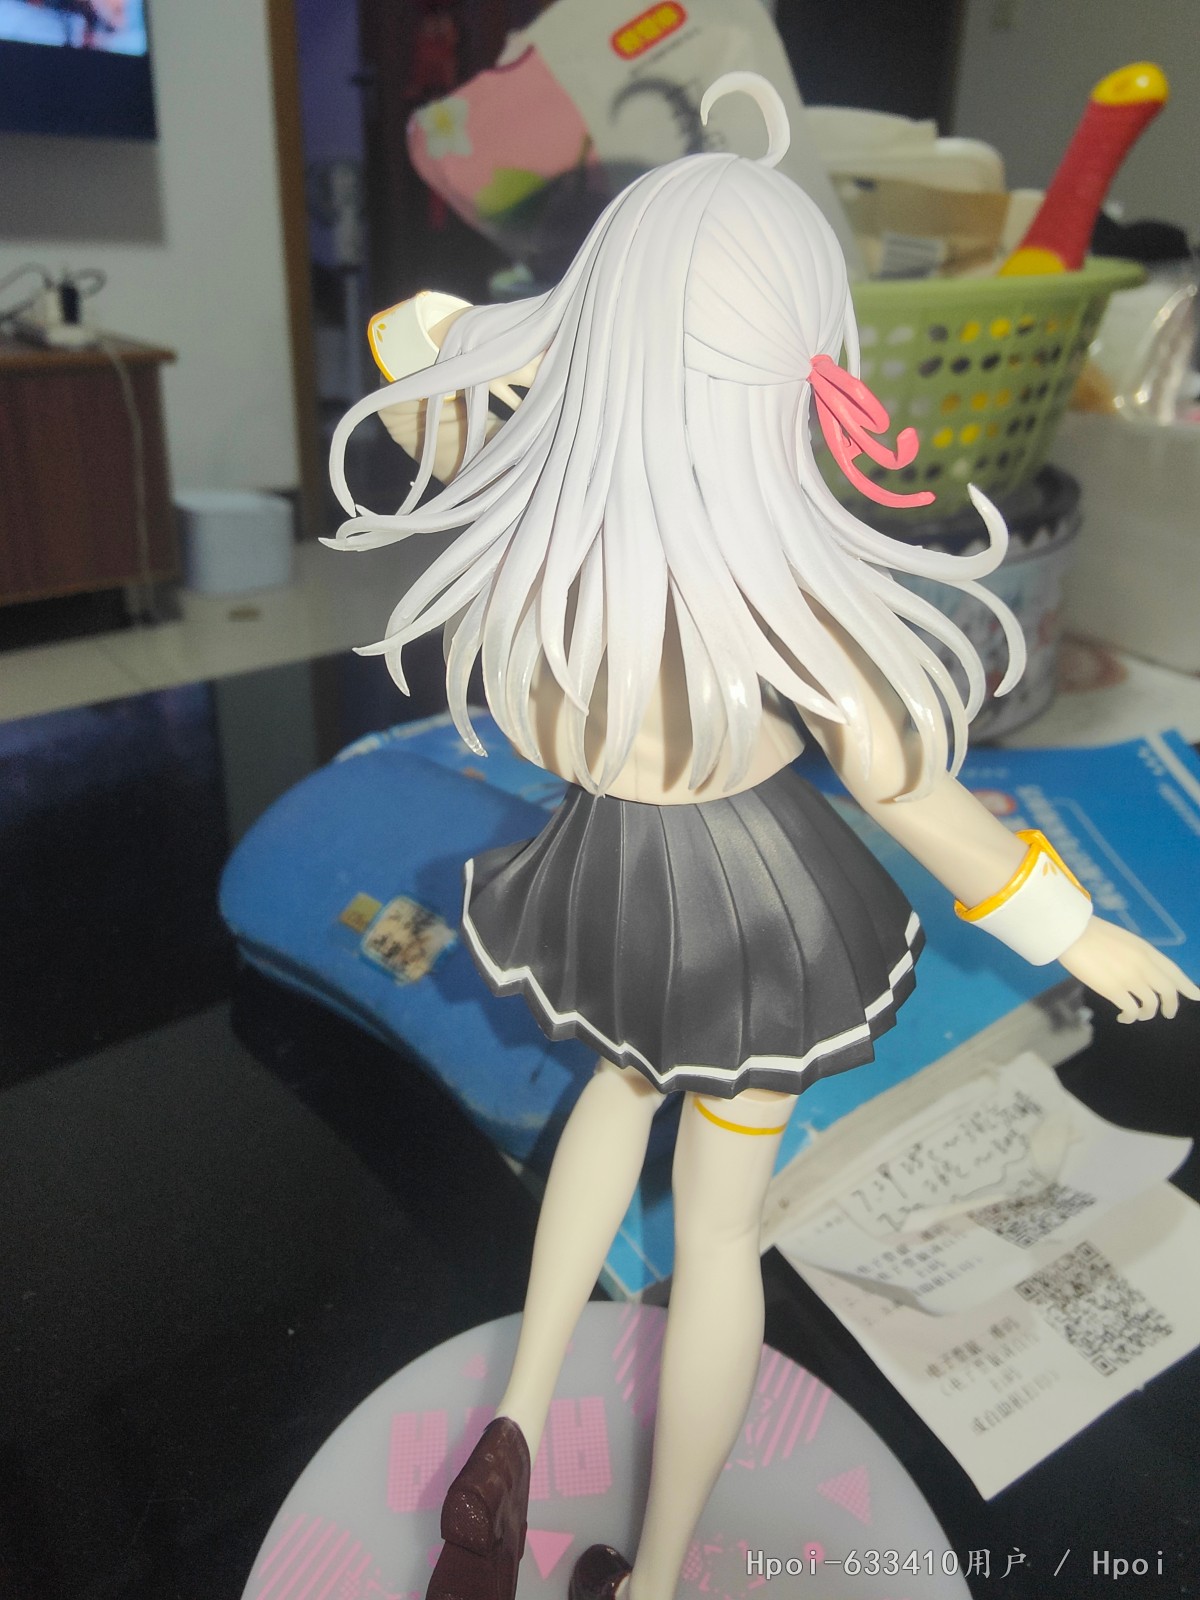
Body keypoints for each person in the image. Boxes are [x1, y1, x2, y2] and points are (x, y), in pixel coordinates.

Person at [327, 73, 1198, 1600]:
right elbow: (924, 807)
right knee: (718, 1237)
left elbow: (415, 336)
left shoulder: (536, 533)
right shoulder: (799, 607)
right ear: (799, 352)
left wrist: (513, 344)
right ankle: (657, 1576)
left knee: (614, 1095)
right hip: (748, 911)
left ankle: (517, 1409)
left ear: (598, 316)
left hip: (608, 869)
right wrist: (1082, 932)